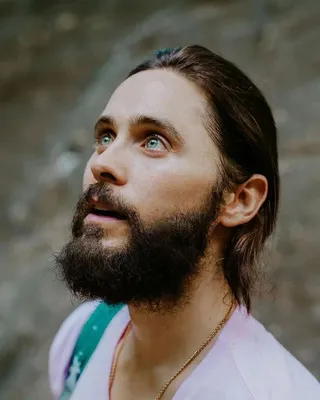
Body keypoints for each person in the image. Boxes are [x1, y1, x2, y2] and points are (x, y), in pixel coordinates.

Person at [49, 45, 320, 400]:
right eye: (105, 137)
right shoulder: (83, 337)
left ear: (239, 199)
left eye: (153, 141)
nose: (103, 163)